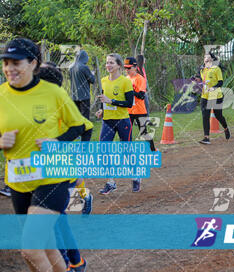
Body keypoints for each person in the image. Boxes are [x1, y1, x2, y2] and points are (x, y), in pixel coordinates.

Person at [0, 38, 93, 272]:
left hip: (55, 172)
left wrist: (61, 144)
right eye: (6, 63)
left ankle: (77, 260)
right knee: (47, 241)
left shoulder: (55, 97)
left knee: (37, 242)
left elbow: (85, 126)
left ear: (33, 65)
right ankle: (74, 265)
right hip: (20, 179)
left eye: (16, 62)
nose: (10, 68)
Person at [38, 61, 88, 271]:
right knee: (58, 216)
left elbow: (84, 127)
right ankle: (76, 261)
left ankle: (67, 264)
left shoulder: (57, 102)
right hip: (48, 167)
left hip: (55, 167)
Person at [95, 53, 140, 193]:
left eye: (111, 63)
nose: (108, 65)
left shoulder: (125, 81)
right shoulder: (103, 80)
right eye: (107, 63)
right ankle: (110, 182)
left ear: (119, 65)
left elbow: (129, 103)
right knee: (103, 151)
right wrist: (101, 110)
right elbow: (104, 99)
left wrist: (112, 101)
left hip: (123, 121)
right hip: (107, 121)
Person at [124, 57, 157, 152]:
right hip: (129, 110)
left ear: (135, 67)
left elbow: (141, 96)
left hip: (139, 110)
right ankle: (128, 153)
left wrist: (130, 91)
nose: (127, 70)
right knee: (126, 132)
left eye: (129, 68)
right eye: (126, 68)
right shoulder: (126, 79)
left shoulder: (140, 79)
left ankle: (152, 150)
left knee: (143, 132)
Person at [199, 53, 230, 144]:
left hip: (216, 96)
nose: (206, 58)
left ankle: (226, 128)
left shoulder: (216, 69)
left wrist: (213, 88)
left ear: (212, 59)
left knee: (218, 116)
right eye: (205, 57)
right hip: (205, 96)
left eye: (208, 57)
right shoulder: (202, 70)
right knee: (205, 116)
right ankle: (206, 137)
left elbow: (220, 82)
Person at [69, 49, 95, 142]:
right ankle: (84, 140)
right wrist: (92, 74)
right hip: (84, 97)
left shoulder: (70, 67)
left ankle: (77, 134)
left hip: (74, 96)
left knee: (77, 118)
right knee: (85, 120)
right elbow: (92, 80)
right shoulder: (84, 67)